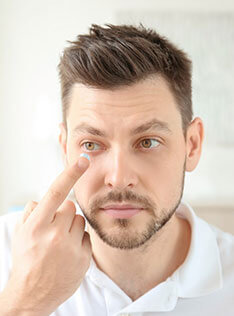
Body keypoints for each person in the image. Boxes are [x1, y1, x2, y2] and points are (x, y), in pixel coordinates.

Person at [0, 23, 233, 316]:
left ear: (193, 145)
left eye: (148, 142)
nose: (119, 178)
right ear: (65, 148)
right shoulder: (7, 249)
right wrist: (26, 301)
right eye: (91, 144)